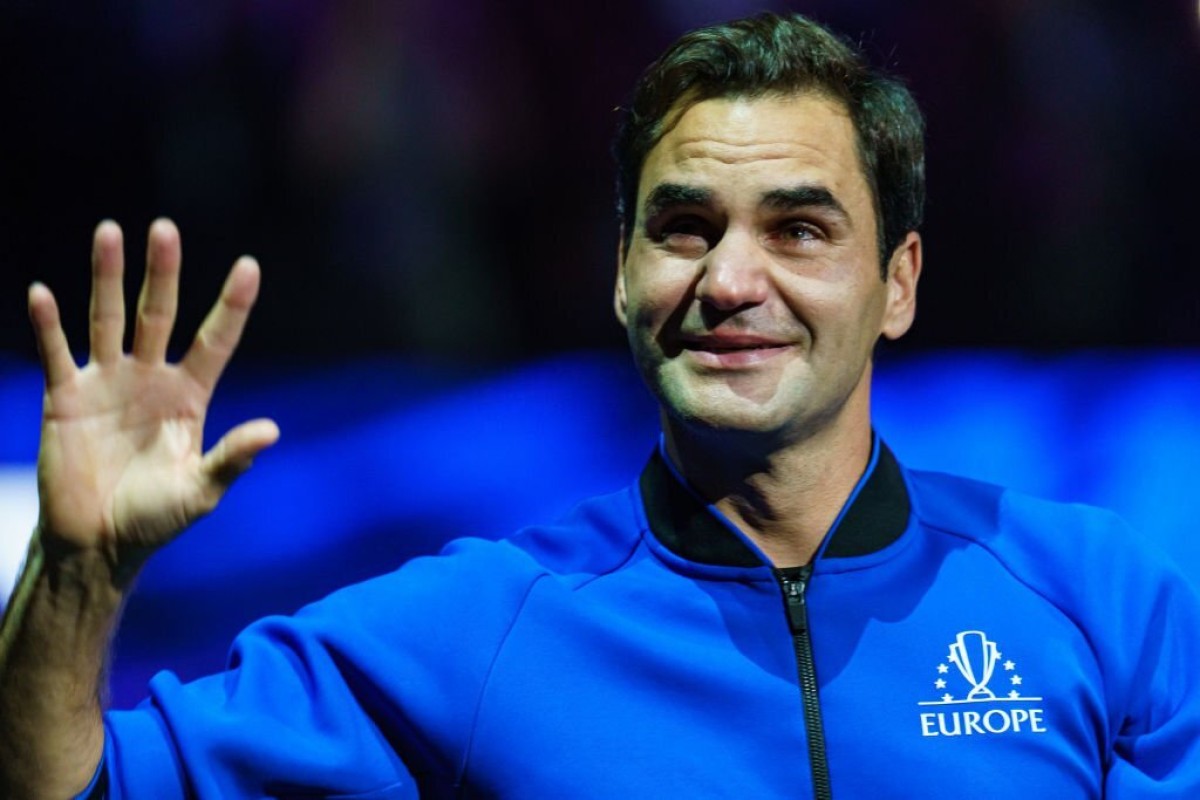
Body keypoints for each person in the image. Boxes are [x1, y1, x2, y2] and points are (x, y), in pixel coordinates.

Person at [2, 12, 1198, 799]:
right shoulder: (474, 628)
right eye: (684, 227)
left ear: (899, 283)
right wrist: (74, 575)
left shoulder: (1100, 596)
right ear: (623, 278)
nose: (731, 280)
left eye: (798, 228)